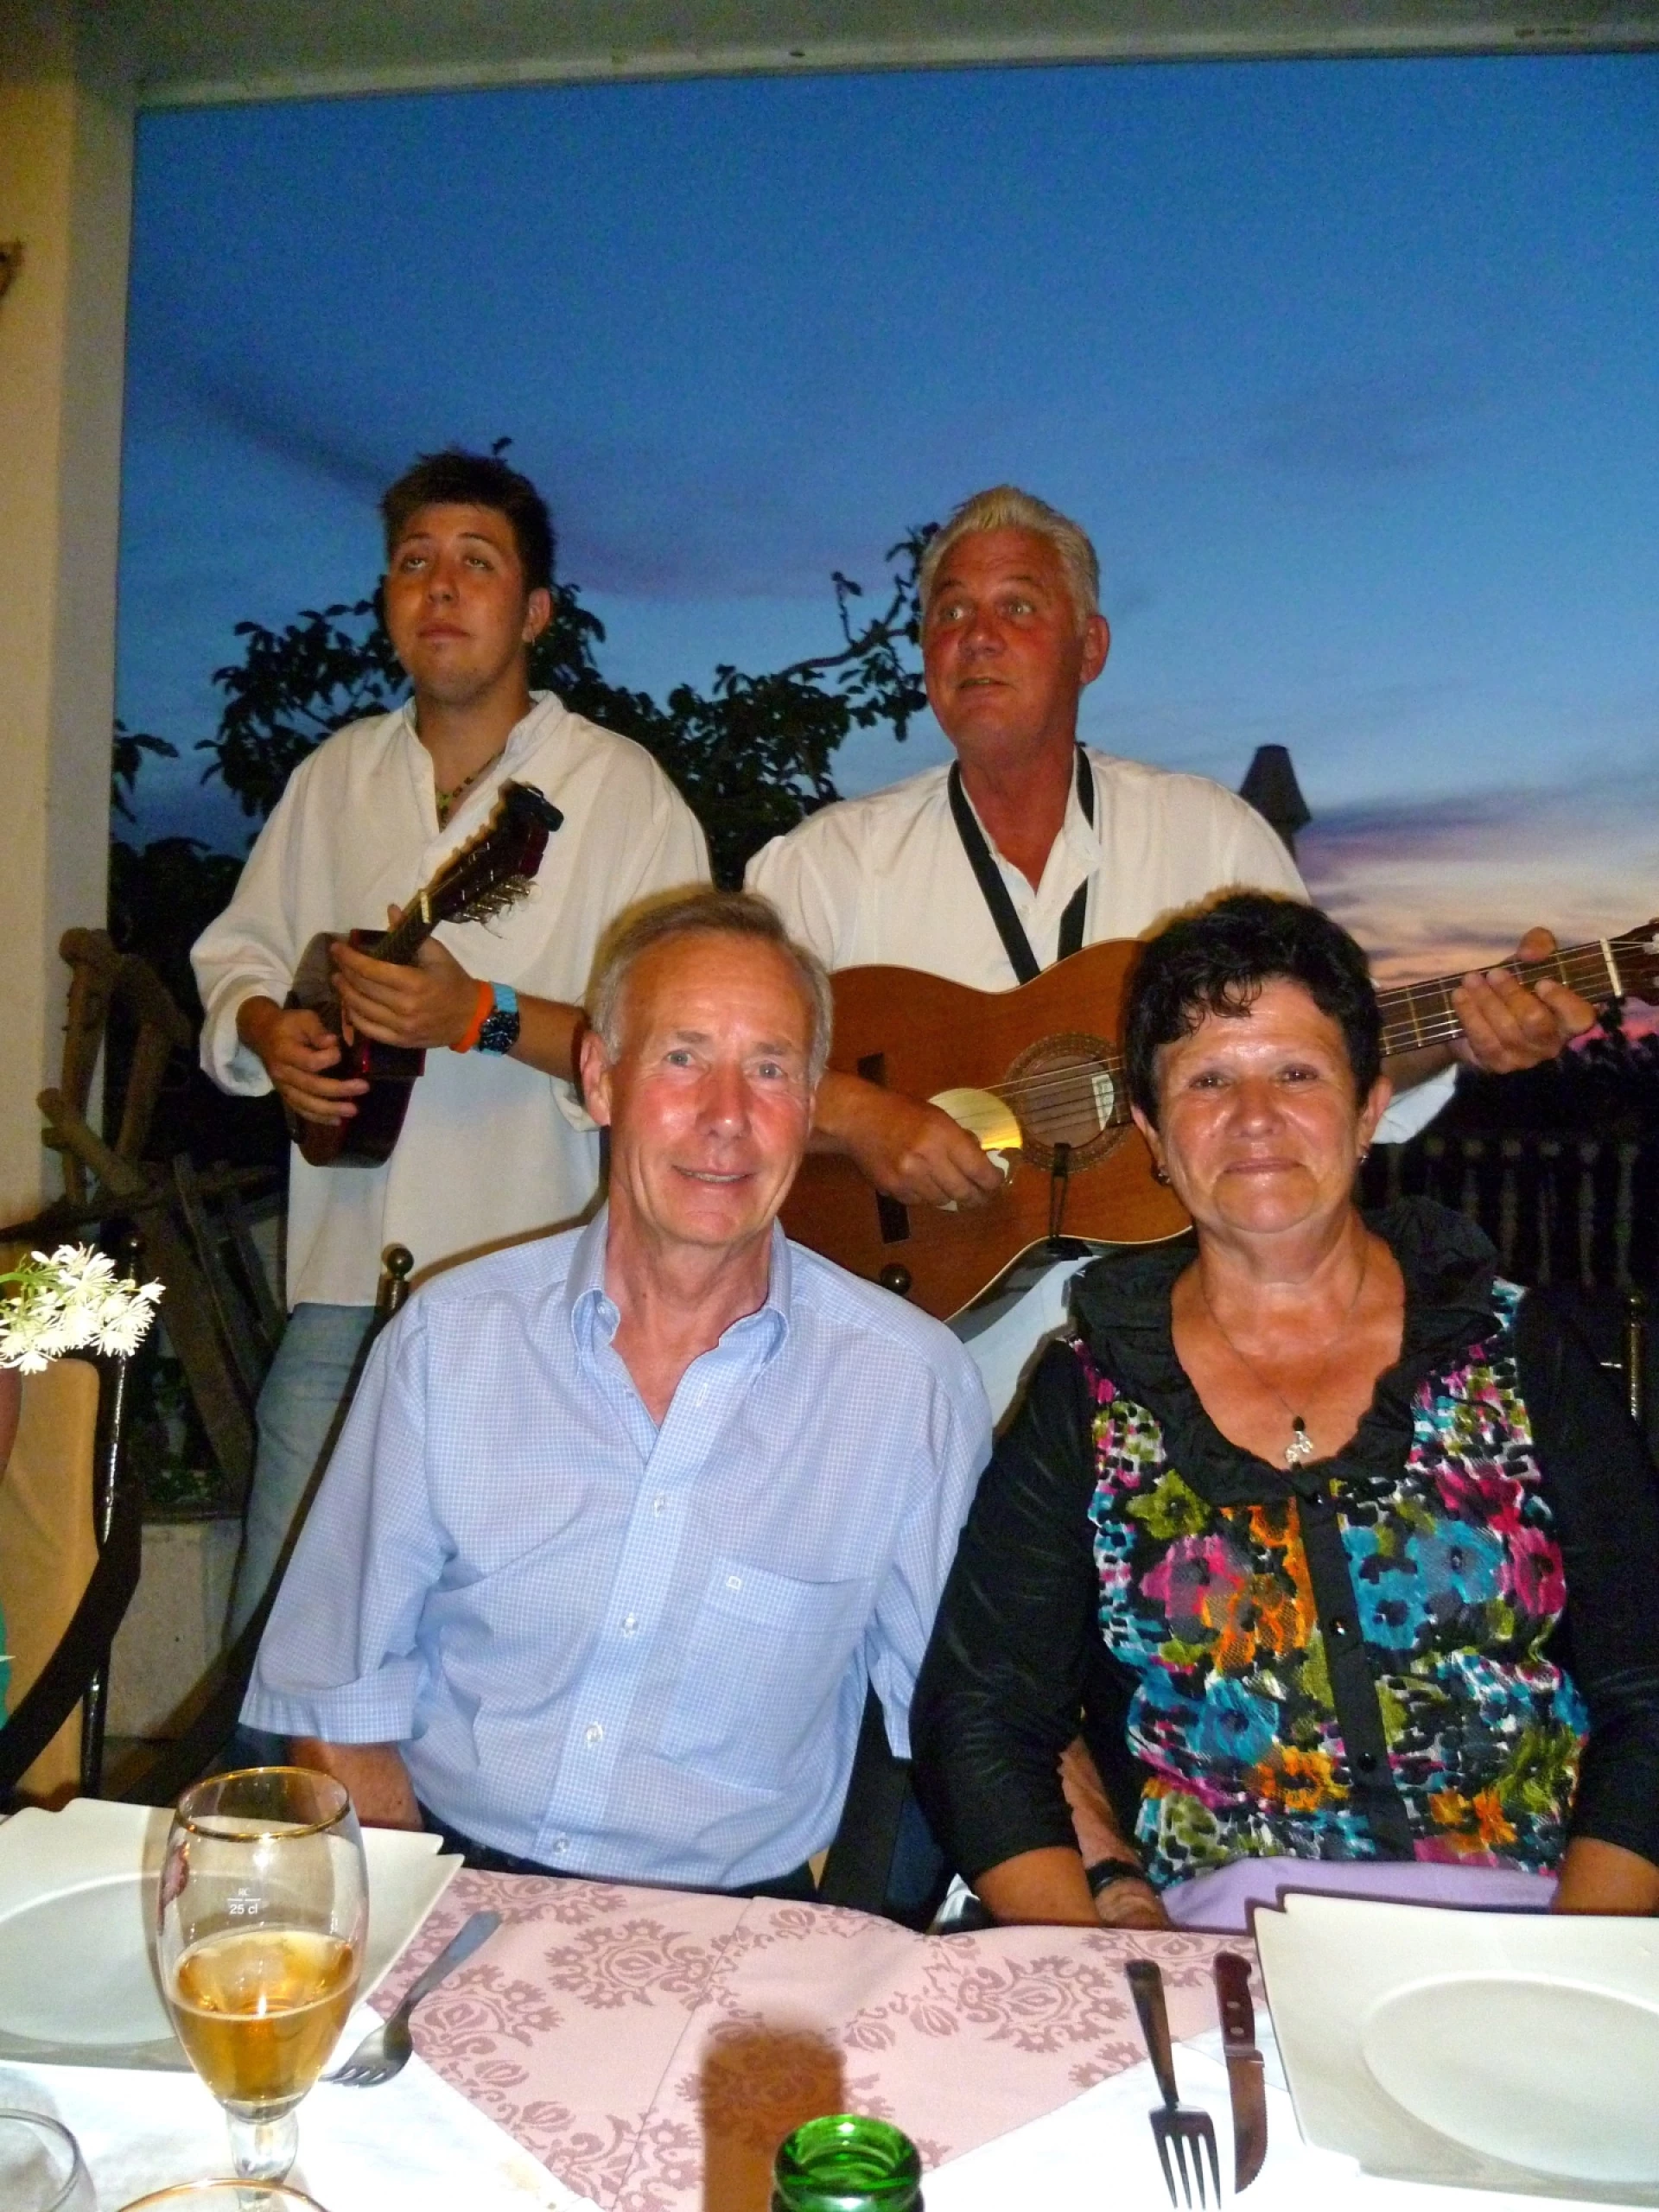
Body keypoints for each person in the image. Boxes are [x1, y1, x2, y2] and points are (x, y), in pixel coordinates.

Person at [747, 486, 1594, 1419]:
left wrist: (1466, 1035)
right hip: (892, 1387)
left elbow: (1324, 1058)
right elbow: (712, 1069)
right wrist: (865, 1117)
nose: (977, 635)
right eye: (950, 611)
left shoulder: (1212, 844)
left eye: (1018, 606)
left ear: (1091, 649)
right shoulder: (821, 865)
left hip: (1190, 1384)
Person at [911, 893, 1659, 1929]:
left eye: (1296, 1074)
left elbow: (1647, 1691)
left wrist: (1579, 1966)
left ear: (1367, 1111)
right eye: (1208, 1079)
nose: (1253, 1117)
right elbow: (980, 1715)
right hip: (1219, 1955)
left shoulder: (1514, 1350)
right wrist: (1108, 1955)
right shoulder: (1092, 1393)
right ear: (1152, 1134)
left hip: (1532, 1927)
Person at [242, 892, 991, 1894]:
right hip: (445, 1872)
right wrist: (412, 1936)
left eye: (769, 1069)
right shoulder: (449, 1343)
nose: (727, 1116)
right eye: (682, 1057)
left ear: (810, 1110)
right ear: (599, 1078)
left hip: (735, 1930)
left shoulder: (907, 1389)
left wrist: (1106, 1900)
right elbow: (336, 1698)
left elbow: (974, 1723)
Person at [194, 450, 709, 1637]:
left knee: (504, 1652)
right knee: (281, 1645)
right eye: (414, 564)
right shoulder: (334, 781)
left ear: (534, 611)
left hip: (536, 1301)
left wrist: (478, 1018)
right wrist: (269, 1031)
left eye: (476, 565)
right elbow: (241, 958)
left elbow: (680, 1058)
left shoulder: (620, 794)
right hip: (341, 1290)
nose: (440, 588)